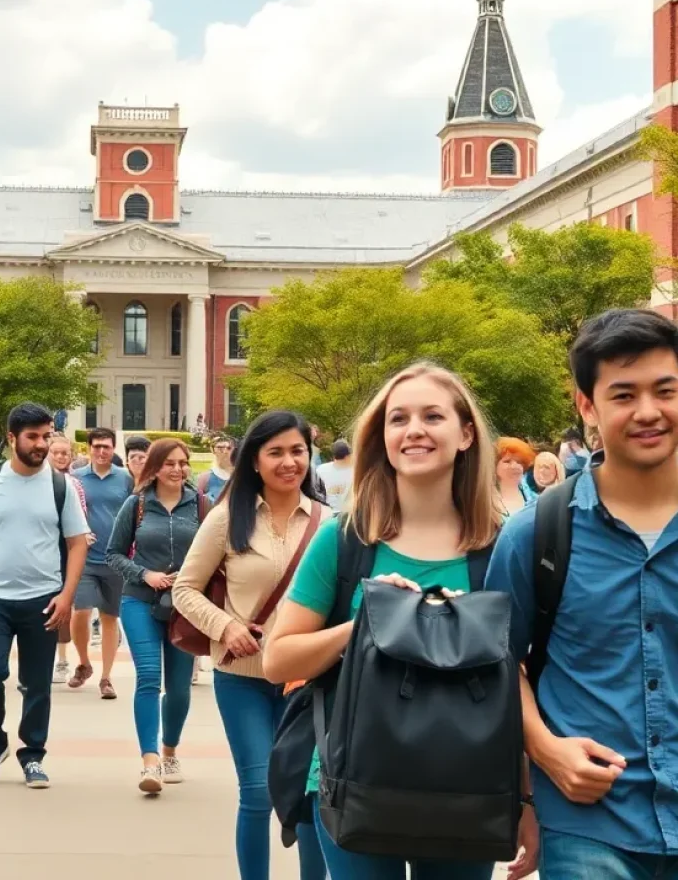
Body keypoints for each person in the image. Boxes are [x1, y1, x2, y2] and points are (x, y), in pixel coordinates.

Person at [264, 362, 534, 880]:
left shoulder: (505, 547)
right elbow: (278, 659)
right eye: (398, 419)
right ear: (381, 438)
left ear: (466, 434)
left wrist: (527, 799)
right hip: (355, 784)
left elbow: (519, 680)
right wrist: (364, 622)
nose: (414, 430)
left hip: (469, 790)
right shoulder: (345, 542)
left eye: (433, 416)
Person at [486, 308, 678, 878]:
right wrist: (545, 749)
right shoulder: (539, 532)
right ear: (587, 406)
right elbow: (497, 659)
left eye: (665, 390)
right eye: (624, 395)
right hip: (589, 824)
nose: (648, 411)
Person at [173, 410, 329, 880]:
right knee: (258, 792)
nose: (289, 462)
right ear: (254, 462)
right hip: (243, 678)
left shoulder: (331, 523)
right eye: (275, 452)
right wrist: (224, 627)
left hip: (307, 683)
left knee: (310, 795)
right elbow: (185, 588)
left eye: (297, 451)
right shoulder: (227, 519)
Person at [0, 403, 89, 789]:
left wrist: (67, 596)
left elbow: (78, 542)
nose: (41, 444)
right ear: (11, 438)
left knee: (37, 684)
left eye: (46, 436)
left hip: (44, 601)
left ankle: (33, 754)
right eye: (32, 436)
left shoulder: (60, 486)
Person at [106, 438, 200, 794]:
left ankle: (170, 749)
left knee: (178, 689)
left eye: (183, 463)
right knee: (148, 676)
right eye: (170, 463)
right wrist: (145, 574)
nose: (178, 469)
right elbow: (113, 553)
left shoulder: (201, 505)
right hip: (140, 600)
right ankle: (150, 761)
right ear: (155, 468)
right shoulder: (138, 504)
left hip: (186, 606)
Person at [71, 427, 133, 699]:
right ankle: (84, 662)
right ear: (89, 448)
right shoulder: (76, 479)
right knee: (80, 612)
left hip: (115, 559)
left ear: (114, 448)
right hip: (85, 557)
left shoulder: (125, 479)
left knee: (110, 618)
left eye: (106, 446)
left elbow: (133, 512)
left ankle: (106, 677)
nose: (101, 451)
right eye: (96, 446)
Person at [48, 433, 93, 683]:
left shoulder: (75, 485)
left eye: (65, 452)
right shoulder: (38, 481)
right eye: (56, 452)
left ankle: (63, 659)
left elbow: (81, 516)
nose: (61, 456)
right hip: (44, 551)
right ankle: (52, 658)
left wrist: (84, 535)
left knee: (68, 604)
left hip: (68, 551)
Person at [496, 436, 535, 517]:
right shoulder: (483, 498)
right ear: (495, 465)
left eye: (519, 462)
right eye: (507, 461)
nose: (514, 466)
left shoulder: (536, 500)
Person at [314, 439, 352, 512]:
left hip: (327, 514)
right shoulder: (355, 471)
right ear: (347, 456)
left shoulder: (321, 470)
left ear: (334, 455)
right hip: (347, 515)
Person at [197, 435, 234, 505]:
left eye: (229, 448)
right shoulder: (205, 478)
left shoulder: (240, 476)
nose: (225, 451)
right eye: (220, 448)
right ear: (212, 450)